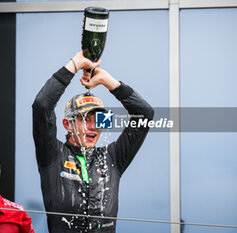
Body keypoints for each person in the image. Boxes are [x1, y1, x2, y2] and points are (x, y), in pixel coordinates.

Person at [32, 50, 154, 233]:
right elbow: (42, 106)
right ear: (68, 124)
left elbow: (145, 114)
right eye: (85, 119)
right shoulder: (53, 154)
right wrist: (74, 65)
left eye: (98, 120)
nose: (93, 126)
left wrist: (108, 81)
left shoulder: (112, 157)